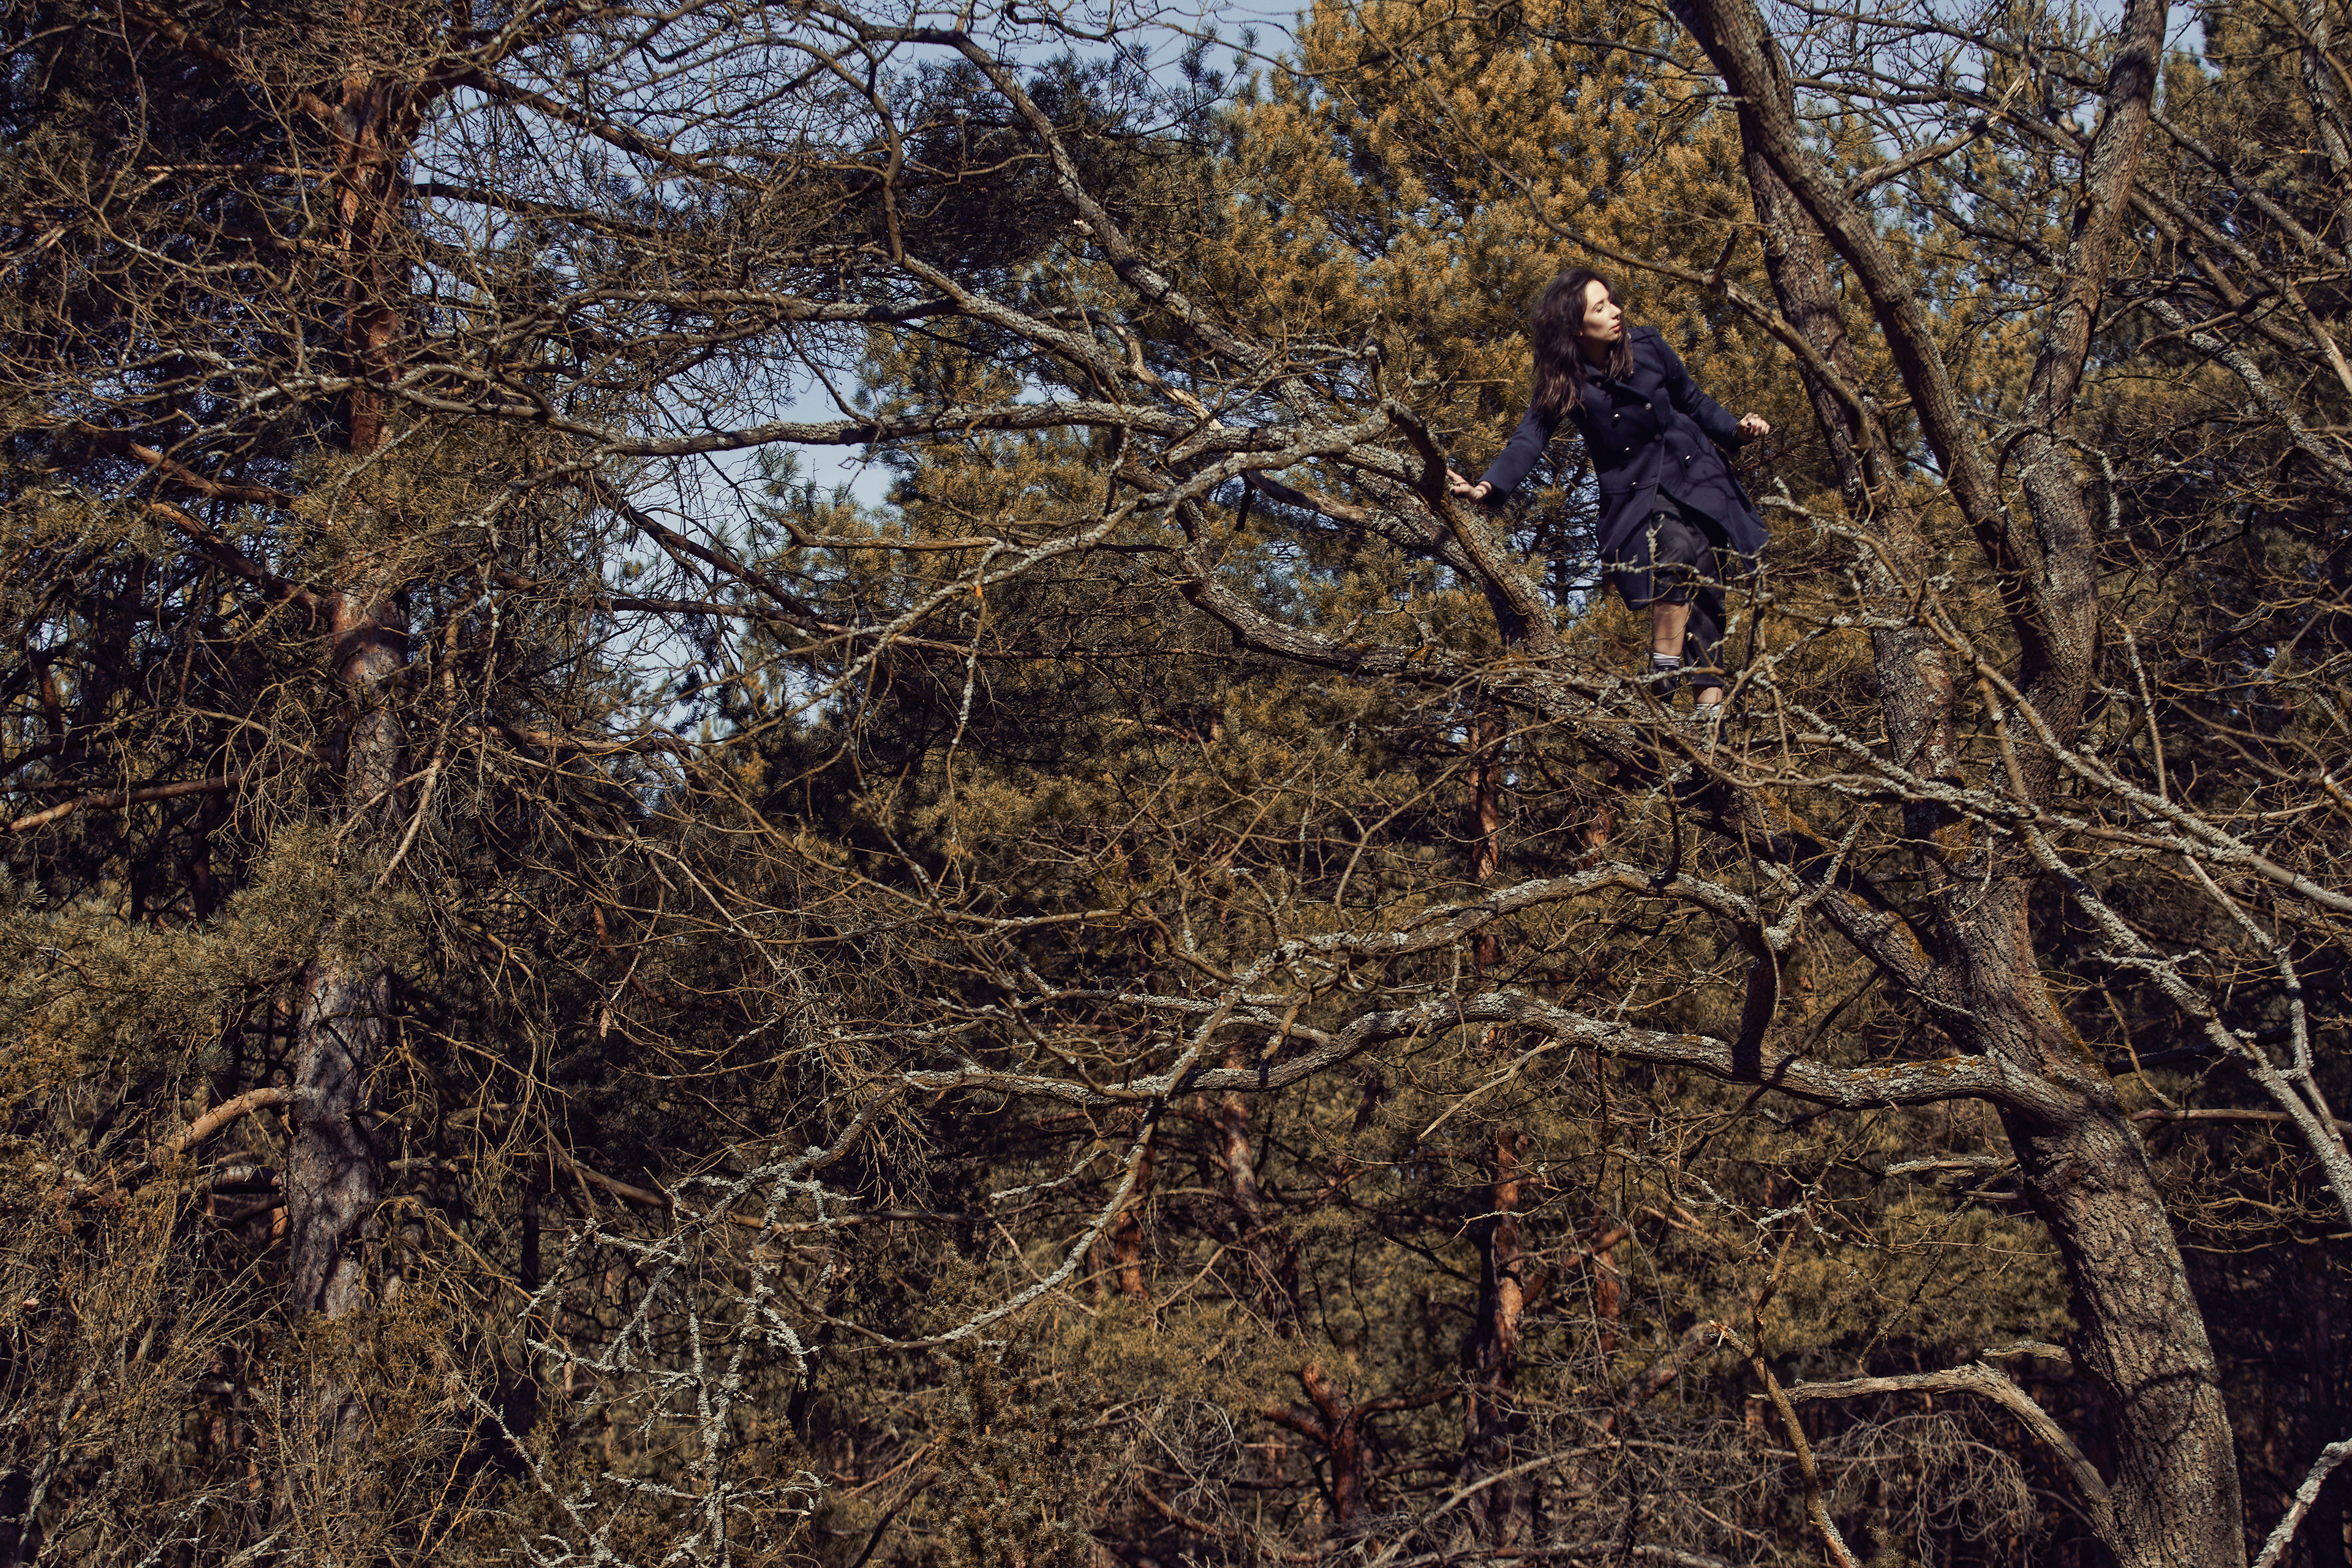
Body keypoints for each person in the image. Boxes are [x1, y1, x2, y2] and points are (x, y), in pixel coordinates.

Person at [1449, 269, 1770, 719]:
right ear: (1577, 327)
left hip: (1698, 475)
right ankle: (1662, 671)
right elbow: (1529, 439)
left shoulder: (1650, 347)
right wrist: (1487, 485)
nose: (1615, 311)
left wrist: (1736, 429)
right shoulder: (1566, 381)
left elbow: (1693, 402)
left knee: (1709, 587)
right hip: (1637, 491)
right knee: (1674, 553)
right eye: (1600, 308)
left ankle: (1708, 721)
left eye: (1611, 302)